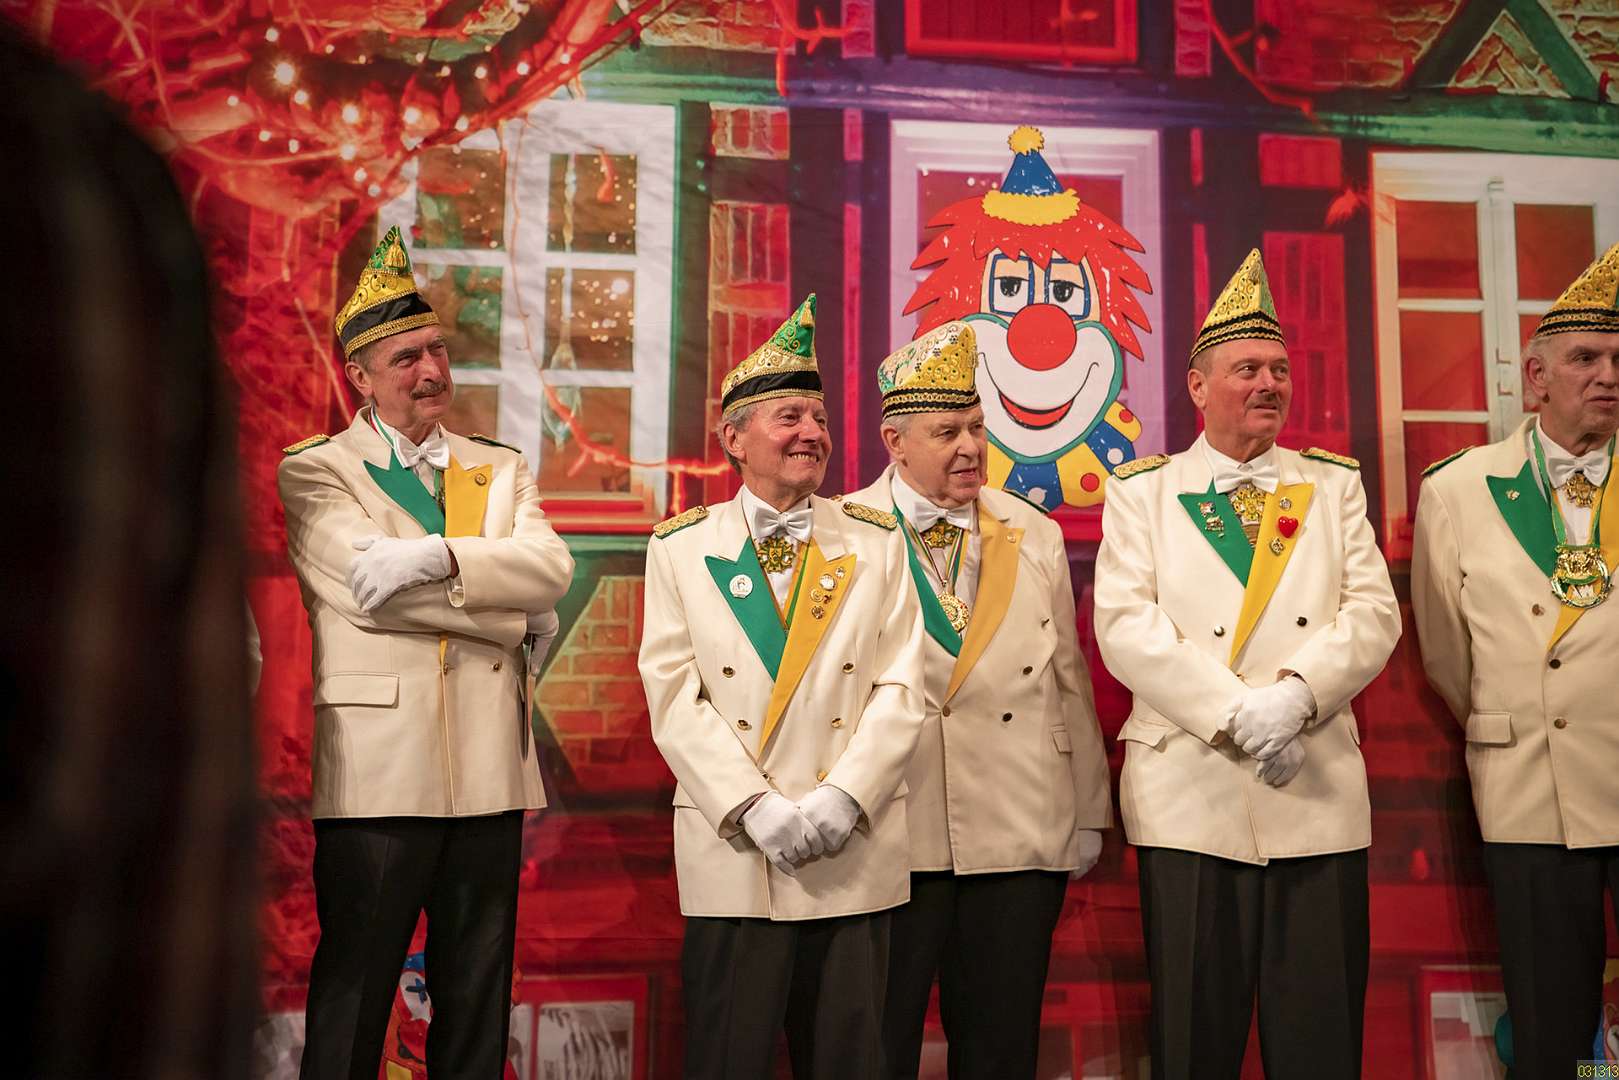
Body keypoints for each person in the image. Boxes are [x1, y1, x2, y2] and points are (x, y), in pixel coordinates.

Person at [1092, 249, 1400, 1079]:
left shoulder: (1333, 487)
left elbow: (1373, 613)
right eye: (1247, 370)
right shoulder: (1140, 492)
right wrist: (1239, 713)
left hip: (1316, 790)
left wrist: (1293, 700)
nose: (1268, 384)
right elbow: (1125, 626)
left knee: (1319, 1041)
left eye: (1278, 369)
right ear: (1197, 387)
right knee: (1194, 1041)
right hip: (1190, 793)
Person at [279, 226, 574, 1080]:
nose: (430, 370)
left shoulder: (498, 468)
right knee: (355, 990)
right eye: (405, 357)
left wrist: (441, 555)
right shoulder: (319, 469)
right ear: (360, 376)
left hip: (489, 771)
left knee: (477, 996)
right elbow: (364, 595)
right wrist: (514, 619)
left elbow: (551, 568)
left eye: (437, 350)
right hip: (376, 771)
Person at [637, 294, 925, 1079]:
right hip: (735, 850)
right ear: (733, 439)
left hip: (851, 847)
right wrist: (753, 806)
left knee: (849, 1063)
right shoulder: (680, 548)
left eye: (820, 418)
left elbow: (903, 686)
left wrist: (842, 797)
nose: (811, 433)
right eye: (789, 416)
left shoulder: (876, 542)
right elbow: (673, 695)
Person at [842, 322, 1112, 1078]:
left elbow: (1067, 676)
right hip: (890, 827)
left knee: (1001, 1046)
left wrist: (1088, 808)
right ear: (895, 443)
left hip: (1018, 824)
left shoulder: (1033, 529)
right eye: (946, 433)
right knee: (878, 1043)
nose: (969, 448)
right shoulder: (844, 532)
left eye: (976, 428)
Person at [1411, 241, 1619, 1080]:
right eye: (1584, 359)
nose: (1607, 376)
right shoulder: (1456, 488)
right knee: (1550, 1025)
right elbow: (1445, 653)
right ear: (1534, 379)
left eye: (1617, 361)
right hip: (1529, 784)